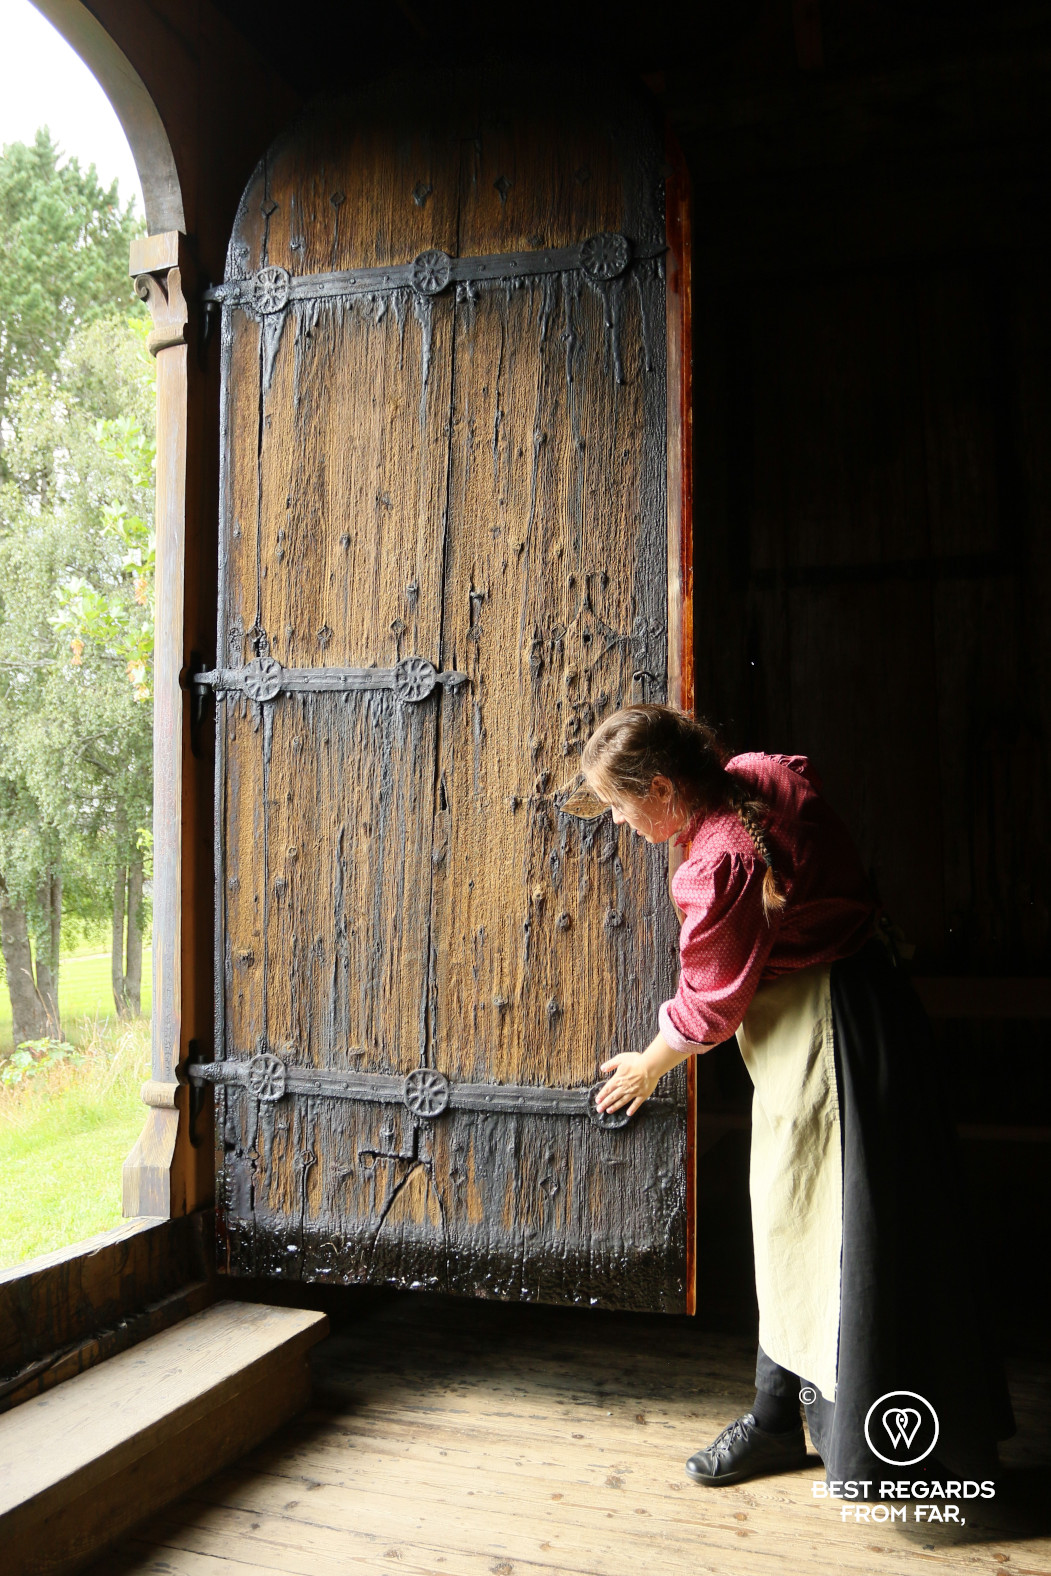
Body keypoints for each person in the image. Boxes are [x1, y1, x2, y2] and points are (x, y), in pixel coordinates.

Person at [565, 704, 1013, 1493]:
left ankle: (829, 1439)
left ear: (664, 788)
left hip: (826, 1037)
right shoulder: (755, 776)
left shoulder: (719, 862)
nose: (620, 822)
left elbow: (709, 1004)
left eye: (622, 805)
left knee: (823, 1237)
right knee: (813, 1229)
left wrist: (647, 1066)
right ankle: (781, 1417)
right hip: (867, 1009)